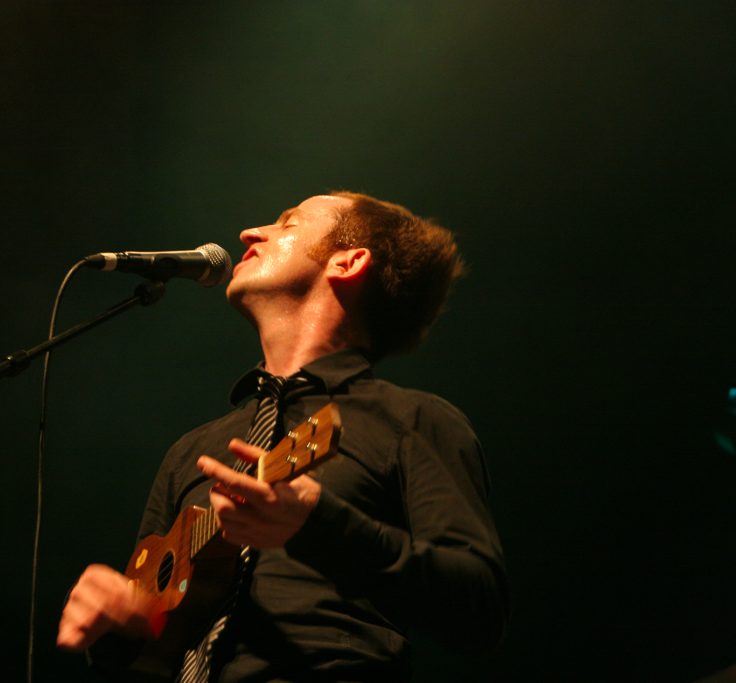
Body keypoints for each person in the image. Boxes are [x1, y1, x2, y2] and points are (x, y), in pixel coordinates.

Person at [57, 191, 509, 682]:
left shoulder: (412, 420)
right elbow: (146, 659)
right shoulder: (191, 451)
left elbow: (479, 610)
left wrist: (318, 525)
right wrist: (117, 627)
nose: (250, 233)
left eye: (288, 223)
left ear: (349, 261)